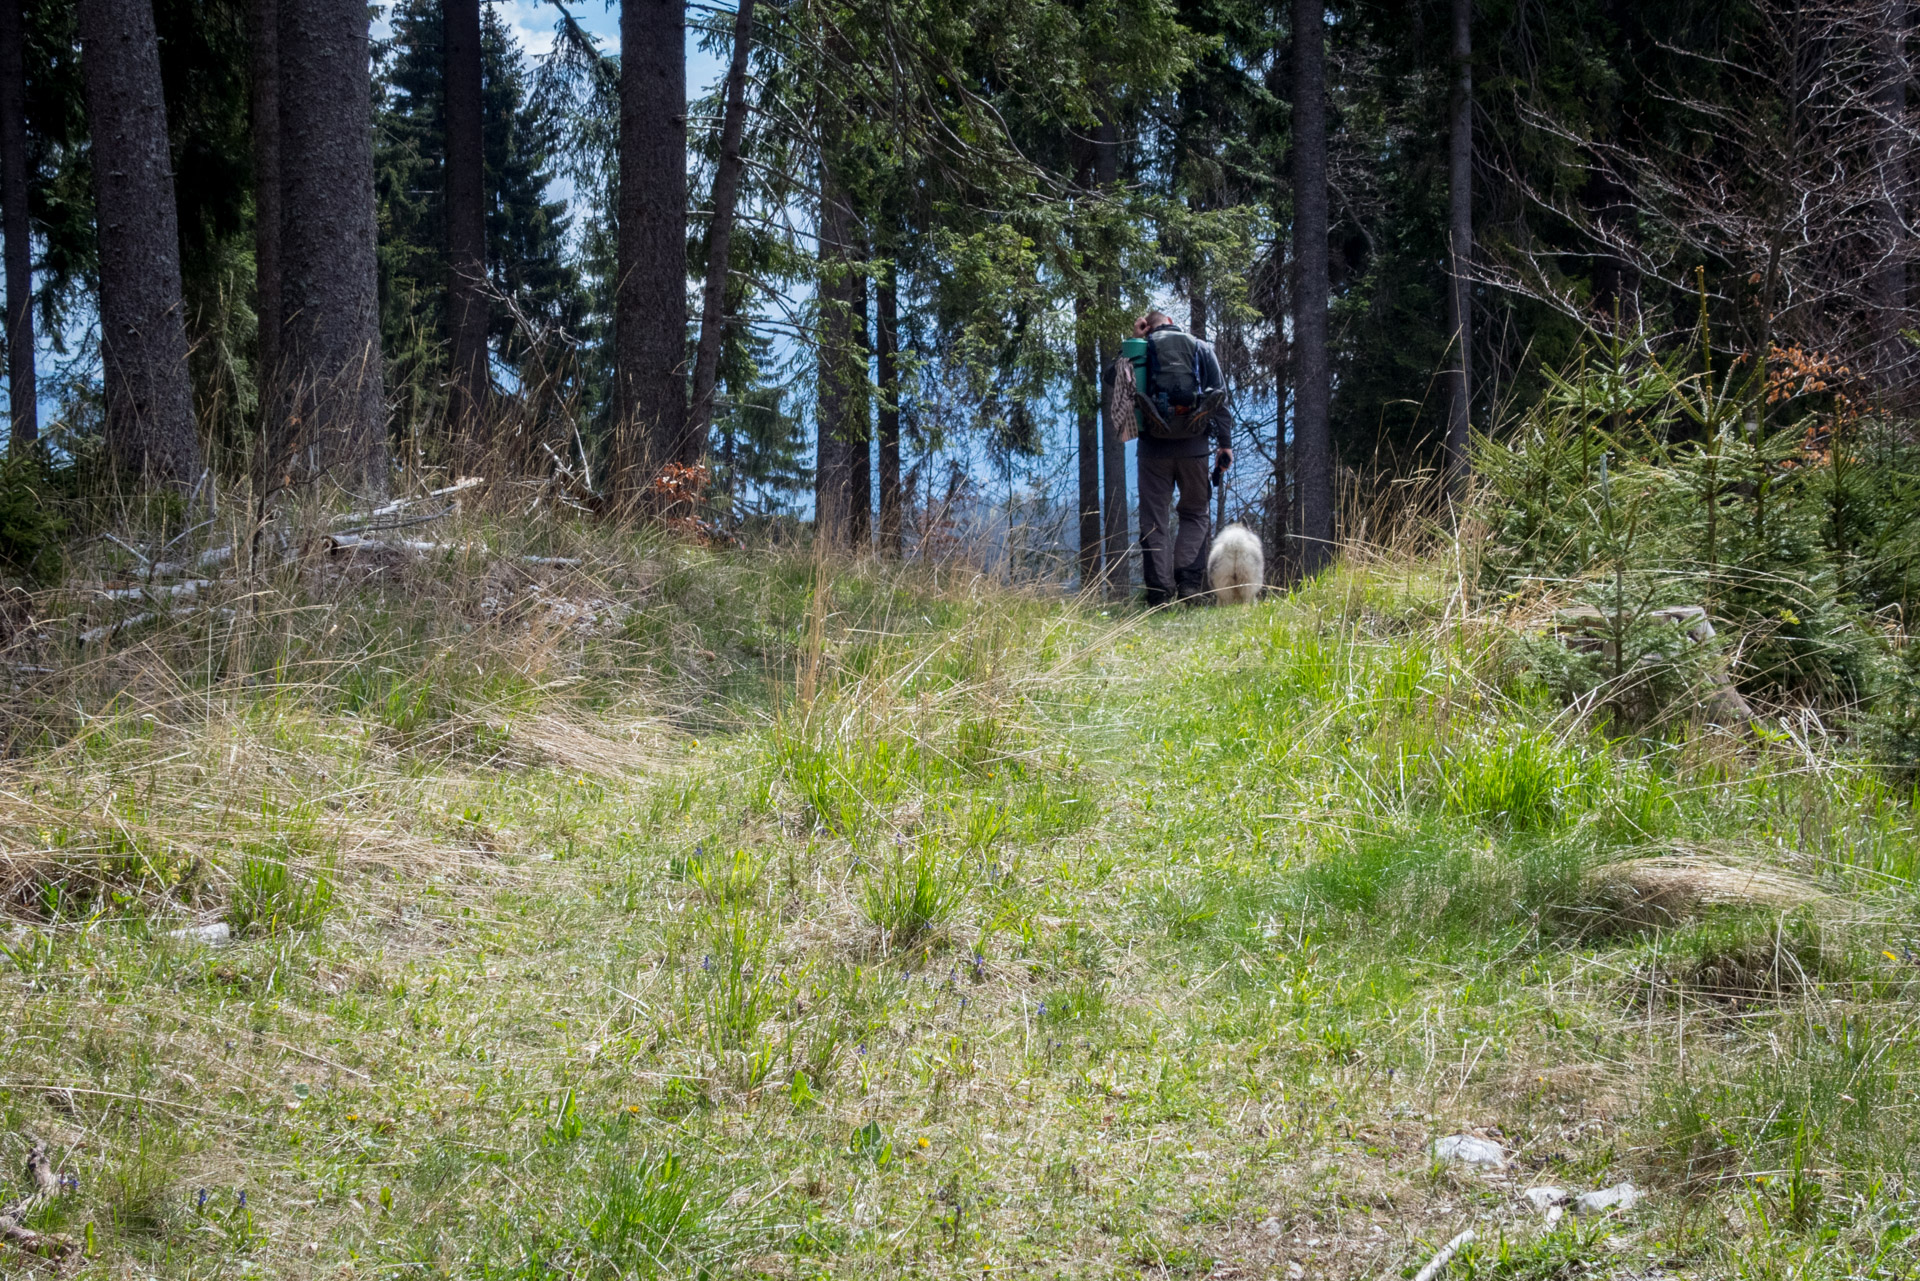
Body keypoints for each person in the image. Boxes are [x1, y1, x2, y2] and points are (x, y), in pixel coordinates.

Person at [1130, 309, 1234, 605]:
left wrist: (1134, 341)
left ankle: (1160, 593)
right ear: (1172, 323)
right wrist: (1224, 444)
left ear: (1147, 326)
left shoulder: (1140, 351)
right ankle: (1188, 587)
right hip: (1194, 447)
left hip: (1152, 450)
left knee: (1154, 520)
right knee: (1195, 514)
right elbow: (1220, 398)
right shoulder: (1201, 347)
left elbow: (1112, 377)